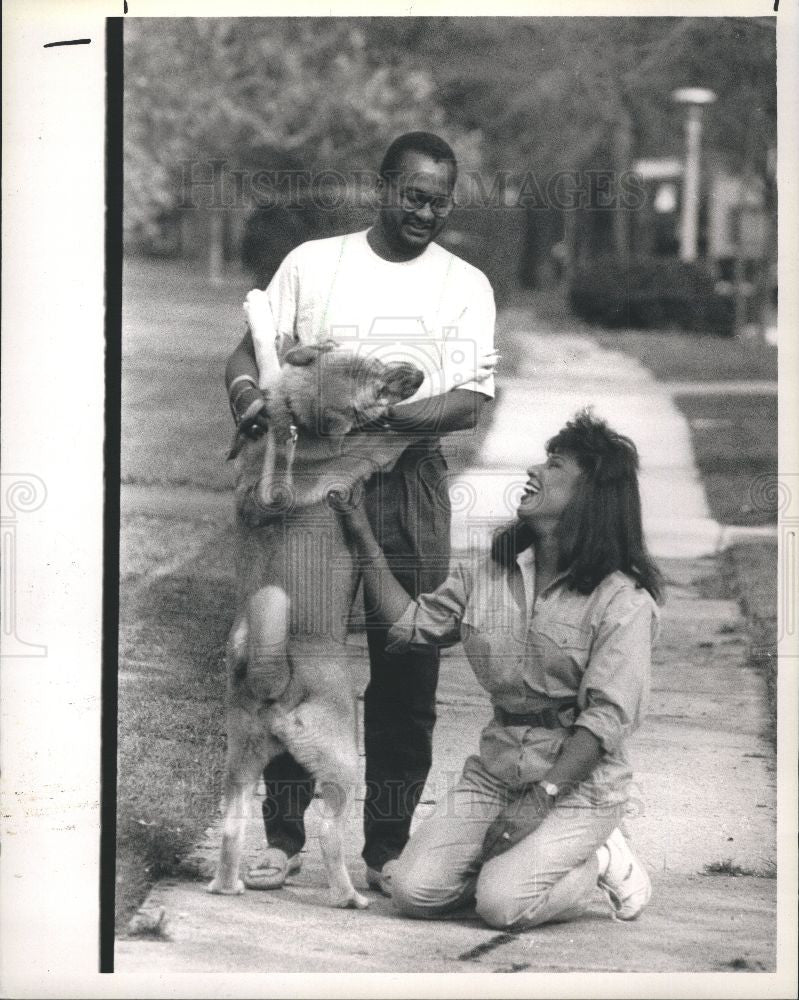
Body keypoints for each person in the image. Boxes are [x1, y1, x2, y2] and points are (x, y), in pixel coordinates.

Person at [224, 131, 498, 892]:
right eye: (412, 195)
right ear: (381, 188)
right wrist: (252, 400)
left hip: (405, 485)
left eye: (439, 199)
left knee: (406, 666)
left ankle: (384, 848)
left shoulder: (464, 283)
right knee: (296, 651)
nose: (426, 211)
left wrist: (381, 420)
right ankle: (280, 838)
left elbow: (470, 401)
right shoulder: (315, 264)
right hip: (312, 479)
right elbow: (248, 353)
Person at [337, 409, 663, 927]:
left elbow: (605, 720)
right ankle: (515, 864)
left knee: (502, 905)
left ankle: (599, 857)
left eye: (554, 465)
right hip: (495, 773)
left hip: (578, 785)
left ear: (589, 495)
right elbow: (408, 626)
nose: (534, 471)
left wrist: (543, 797)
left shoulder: (623, 600)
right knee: (412, 892)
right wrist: (363, 536)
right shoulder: (489, 572)